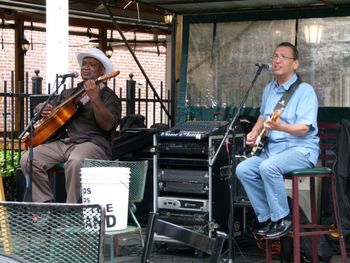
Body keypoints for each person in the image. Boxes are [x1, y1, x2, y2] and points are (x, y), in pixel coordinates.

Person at [236, 42, 319, 239]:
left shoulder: (305, 91)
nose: (277, 60)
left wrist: (282, 127)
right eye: (275, 56)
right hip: (273, 150)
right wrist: (254, 133)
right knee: (243, 169)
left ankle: (283, 217)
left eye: (283, 56)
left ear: (295, 64)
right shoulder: (269, 90)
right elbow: (264, 117)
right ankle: (267, 218)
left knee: (268, 167)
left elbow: (304, 128)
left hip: (300, 149)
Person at [20, 47, 121, 203]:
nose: (86, 67)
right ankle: (45, 206)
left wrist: (95, 99)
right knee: (29, 159)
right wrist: (40, 108)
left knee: (76, 161)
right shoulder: (69, 93)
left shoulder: (109, 97)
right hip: (63, 142)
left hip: (92, 143)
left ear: (102, 71)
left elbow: (108, 125)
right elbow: (48, 109)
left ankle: (72, 211)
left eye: (92, 65)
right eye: (84, 64)